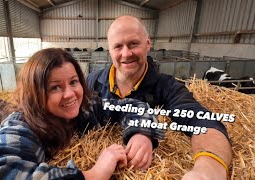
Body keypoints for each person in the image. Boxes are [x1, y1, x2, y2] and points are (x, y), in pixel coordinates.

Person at [0, 48, 163, 180]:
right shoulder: (24, 125)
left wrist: (141, 133)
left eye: (74, 82)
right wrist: (93, 174)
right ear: (35, 93)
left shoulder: (86, 106)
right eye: (55, 87)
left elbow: (132, 106)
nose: (70, 94)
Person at [87, 15, 232, 179]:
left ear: (148, 44)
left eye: (133, 44)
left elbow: (203, 122)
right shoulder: (93, 80)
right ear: (109, 51)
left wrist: (207, 170)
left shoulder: (167, 88)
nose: (126, 53)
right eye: (118, 46)